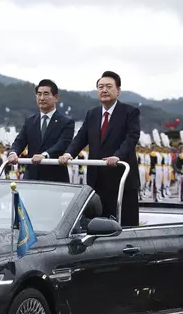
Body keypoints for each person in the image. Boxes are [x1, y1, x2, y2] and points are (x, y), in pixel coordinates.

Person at [59, 71, 140, 226]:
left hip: (120, 178)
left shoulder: (130, 112)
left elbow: (131, 138)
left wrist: (118, 156)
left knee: (124, 225)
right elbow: (81, 137)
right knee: (96, 225)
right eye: (101, 87)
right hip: (96, 181)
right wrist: (69, 153)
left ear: (118, 90)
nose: (104, 90)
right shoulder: (92, 114)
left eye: (109, 86)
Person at [8, 79, 75, 182]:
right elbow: (20, 141)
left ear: (56, 97)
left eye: (46, 94)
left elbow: (62, 144)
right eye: (39, 94)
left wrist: (44, 155)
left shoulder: (66, 122)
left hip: (55, 178)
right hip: (32, 177)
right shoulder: (30, 121)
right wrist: (13, 152)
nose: (42, 98)